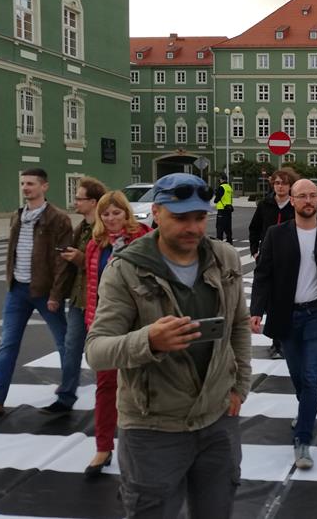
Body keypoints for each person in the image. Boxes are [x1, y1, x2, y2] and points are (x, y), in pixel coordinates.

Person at [85, 173, 252, 517]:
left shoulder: (224, 258)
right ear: (156, 213)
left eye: (200, 217)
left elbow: (238, 324)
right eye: (181, 218)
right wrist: (149, 340)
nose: (193, 228)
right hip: (153, 428)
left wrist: (240, 387)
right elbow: (97, 351)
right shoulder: (126, 269)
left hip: (217, 420)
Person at [249, 179, 317, 470]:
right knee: (298, 376)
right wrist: (256, 310)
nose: (308, 200)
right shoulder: (276, 234)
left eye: (313, 195)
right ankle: (306, 409)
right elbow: (263, 274)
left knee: (312, 377)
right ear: (292, 201)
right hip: (286, 315)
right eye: (302, 196)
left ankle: (303, 439)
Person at [0, 169, 73, 416]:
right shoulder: (17, 215)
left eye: (31, 184)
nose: (25, 187)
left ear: (44, 187)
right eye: (23, 183)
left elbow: (62, 261)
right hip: (16, 290)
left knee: (64, 343)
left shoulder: (58, 218)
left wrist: (56, 294)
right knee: (7, 344)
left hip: (44, 291)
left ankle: (67, 394)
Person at [83, 191, 151, 476]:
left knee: (144, 385)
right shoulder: (95, 244)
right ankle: (103, 446)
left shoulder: (145, 240)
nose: (111, 218)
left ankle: (146, 444)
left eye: (116, 213)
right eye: (106, 214)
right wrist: (91, 322)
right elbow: (92, 286)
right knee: (105, 386)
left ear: (126, 213)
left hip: (140, 322)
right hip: (106, 324)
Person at [50, 177, 107, 413]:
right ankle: (66, 395)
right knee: (71, 346)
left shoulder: (104, 230)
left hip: (101, 301)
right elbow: (67, 269)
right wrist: (56, 294)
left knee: (102, 351)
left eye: (79, 198)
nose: (75, 202)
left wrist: (80, 259)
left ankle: (110, 397)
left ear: (93, 202)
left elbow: (107, 265)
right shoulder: (81, 228)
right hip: (78, 298)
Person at [248, 167, 299, 360]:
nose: (280, 187)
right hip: (267, 258)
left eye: (284, 183)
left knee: (288, 300)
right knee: (271, 301)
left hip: (289, 258)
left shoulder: (294, 205)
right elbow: (254, 228)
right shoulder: (265, 205)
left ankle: (284, 340)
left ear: (290, 186)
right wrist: (255, 251)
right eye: (277, 183)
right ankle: (277, 343)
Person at [214, 173, 233, 244]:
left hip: (222, 209)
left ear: (222, 179)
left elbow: (217, 198)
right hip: (228, 208)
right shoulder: (229, 187)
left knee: (219, 226)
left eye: (220, 179)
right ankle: (229, 240)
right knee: (228, 226)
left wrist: (215, 199)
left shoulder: (221, 187)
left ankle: (219, 240)